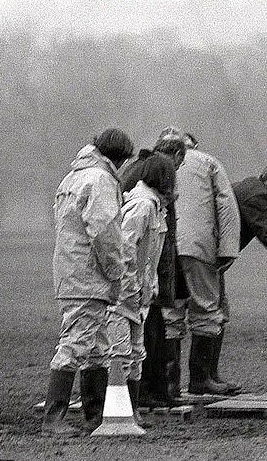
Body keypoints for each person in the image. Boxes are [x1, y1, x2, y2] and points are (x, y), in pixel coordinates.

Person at [42, 128, 134, 436]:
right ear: (118, 158)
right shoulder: (101, 180)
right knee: (76, 343)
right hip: (88, 275)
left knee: (96, 346)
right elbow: (105, 232)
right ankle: (53, 420)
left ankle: (96, 417)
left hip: (69, 270)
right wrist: (117, 272)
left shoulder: (71, 178)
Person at [166, 132, 241, 396]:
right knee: (206, 309)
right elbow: (226, 205)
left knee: (170, 313)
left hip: (165, 246)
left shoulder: (155, 163)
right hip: (198, 246)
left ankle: (169, 384)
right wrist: (227, 250)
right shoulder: (209, 162)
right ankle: (200, 379)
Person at [119, 134, 186, 408]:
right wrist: (137, 282)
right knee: (144, 336)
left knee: (152, 333)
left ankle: (154, 391)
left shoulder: (149, 195)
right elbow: (127, 245)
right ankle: (144, 393)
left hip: (147, 280)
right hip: (135, 284)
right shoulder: (145, 204)